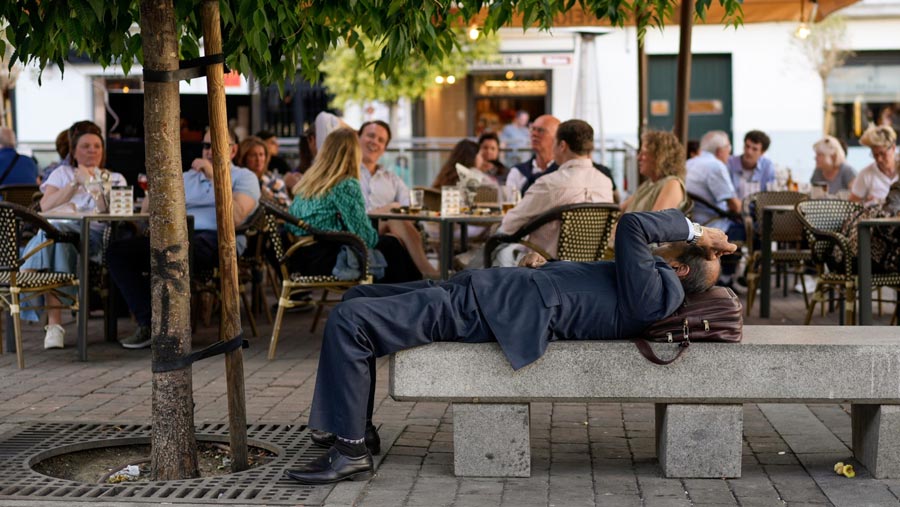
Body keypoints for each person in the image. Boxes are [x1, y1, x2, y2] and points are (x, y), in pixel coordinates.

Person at [283, 208, 737, 485]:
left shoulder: (662, 290)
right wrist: (546, 266)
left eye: (677, 252)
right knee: (358, 297)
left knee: (348, 319)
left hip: (489, 310)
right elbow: (590, 291)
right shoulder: (651, 286)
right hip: (492, 293)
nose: (668, 250)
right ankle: (354, 426)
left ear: (679, 270)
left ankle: (349, 452)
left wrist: (699, 234)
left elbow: (634, 226)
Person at [107, 127, 261, 349]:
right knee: (117, 252)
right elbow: (147, 216)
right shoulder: (185, 176)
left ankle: (172, 330)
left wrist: (214, 175)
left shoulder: (244, 177)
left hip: (217, 240)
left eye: (217, 146)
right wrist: (155, 185)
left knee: (175, 252)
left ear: (233, 150)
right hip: (175, 237)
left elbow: (235, 217)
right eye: (206, 145)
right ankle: (150, 322)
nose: (209, 151)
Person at [21, 121, 127, 349]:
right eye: (86, 146)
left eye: (97, 146)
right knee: (58, 240)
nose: (92, 151)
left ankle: (27, 271)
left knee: (54, 236)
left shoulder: (114, 177)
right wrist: (73, 184)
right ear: (74, 150)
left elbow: (111, 213)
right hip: (61, 237)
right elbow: (46, 207)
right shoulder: (62, 173)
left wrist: (93, 187)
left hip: (94, 239)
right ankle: (55, 324)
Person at [287, 128, 420, 283]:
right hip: (327, 261)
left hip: (302, 257)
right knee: (391, 244)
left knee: (388, 245)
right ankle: (412, 293)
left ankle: (399, 296)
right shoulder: (345, 184)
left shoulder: (309, 181)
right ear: (354, 154)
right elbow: (365, 239)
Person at [491, 119, 614, 266]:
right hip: (590, 269)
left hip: (545, 267)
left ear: (562, 145)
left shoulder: (550, 184)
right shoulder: (605, 183)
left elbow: (510, 225)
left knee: (498, 250)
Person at [358, 120, 439, 278]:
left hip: (384, 233)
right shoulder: (346, 173)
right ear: (358, 138)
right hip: (357, 229)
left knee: (394, 234)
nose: (375, 142)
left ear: (384, 149)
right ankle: (430, 273)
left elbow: (408, 205)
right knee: (392, 210)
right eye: (371, 136)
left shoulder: (391, 178)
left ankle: (415, 283)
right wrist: (388, 210)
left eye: (381, 140)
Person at [685, 130, 744, 288]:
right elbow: (734, 205)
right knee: (750, 229)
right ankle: (727, 276)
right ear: (720, 150)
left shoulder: (689, 163)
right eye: (728, 148)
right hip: (711, 225)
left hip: (691, 224)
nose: (729, 153)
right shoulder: (716, 166)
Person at [505, 114, 559, 191]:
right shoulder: (518, 173)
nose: (534, 134)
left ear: (556, 137)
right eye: (532, 129)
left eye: (541, 131)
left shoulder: (564, 172)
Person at [851, 125, 898, 205]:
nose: (879, 159)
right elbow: (852, 204)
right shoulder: (865, 174)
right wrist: (865, 203)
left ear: (893, 148)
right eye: (875, 155)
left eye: (882, 153)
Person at [238, 135, 289, 206]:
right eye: (253, 155)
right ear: (244, 158)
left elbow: (286, 205)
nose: (258, 159)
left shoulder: (275, 181)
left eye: (261, 155)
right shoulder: (239, 180)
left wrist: (267, 194)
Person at [726, 130, 776, 199]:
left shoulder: (767, 166)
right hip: (733, 209)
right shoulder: (729, 163)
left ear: (762, 152)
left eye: (754, 149)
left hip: (758, 209)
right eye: (747, 146)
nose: (749, 152)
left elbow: (771, 195)